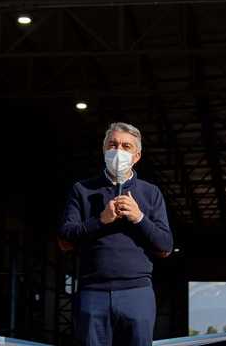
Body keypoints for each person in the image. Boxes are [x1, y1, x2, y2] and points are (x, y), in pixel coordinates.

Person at [58, 122, 174, 346]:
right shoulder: (81, 189)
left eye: (126, 146)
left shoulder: (151, 193)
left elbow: (166, 245)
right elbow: (65, 237)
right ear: (104, 150)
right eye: (113, 145)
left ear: (137, 155)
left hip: (137, 294)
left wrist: (139, 217)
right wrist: (100, 220)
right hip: (93, 294)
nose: (118, 151)